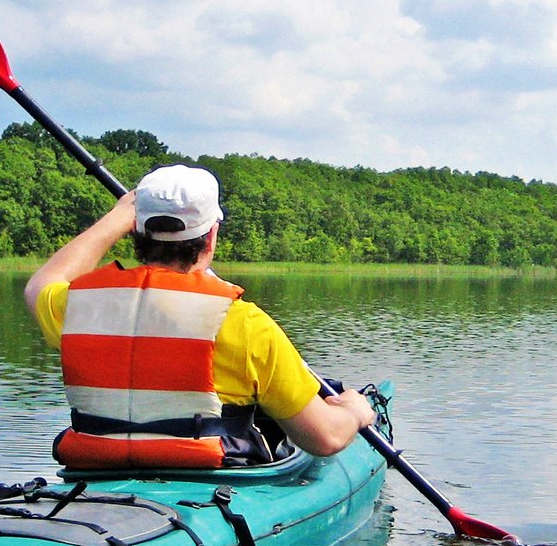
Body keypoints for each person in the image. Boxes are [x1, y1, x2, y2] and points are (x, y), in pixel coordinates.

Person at [25, 164, 375, 469]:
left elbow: (41, 283)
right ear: (210, 236)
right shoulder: (244, 324)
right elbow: (324, 438)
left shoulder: (80, 306)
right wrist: (355, 411)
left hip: (98, 467)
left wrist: (114, 218)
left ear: (136, 232)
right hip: (209, 472)